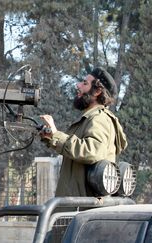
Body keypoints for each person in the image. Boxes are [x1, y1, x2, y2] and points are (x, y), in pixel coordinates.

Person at [39, 67, 127, 197]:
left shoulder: (99, 118)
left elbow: (92, 152)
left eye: (85, 83)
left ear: (97, 91)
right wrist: (50, 137)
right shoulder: (89, 118)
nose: (78, 85)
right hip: (75, 208)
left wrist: (57, 136)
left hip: (82, 209)